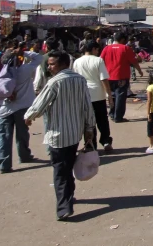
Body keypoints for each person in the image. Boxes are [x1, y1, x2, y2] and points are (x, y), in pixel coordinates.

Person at [24, 51, 95, 221]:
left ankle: (64, 207)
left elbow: (39, 104)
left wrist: (28, 117)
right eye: (48, 64)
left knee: (60, 171)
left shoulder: (54, 82)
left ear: (63, 64)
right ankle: (69, 197)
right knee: (66, 167)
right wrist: (89, 127)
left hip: (58, 135)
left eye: (52, 64)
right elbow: (87, 106)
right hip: (74, 133)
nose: (49, 67)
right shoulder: (79, 79)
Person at [0, 42, 43, 173]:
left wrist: (5, 97)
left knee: (3, 136)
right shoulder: (24, 70)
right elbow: (38, 58)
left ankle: (3, 164)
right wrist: (22, 52)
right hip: (22, 108)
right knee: (22, 133)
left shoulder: (0, 76)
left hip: (4, 110)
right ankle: (24, 156)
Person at [72, 41, 114, 153]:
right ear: (94, 49)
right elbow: (104, 78)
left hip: (84, 95)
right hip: (98, 94)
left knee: (89, 122)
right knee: (102, 120)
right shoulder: (98, 60)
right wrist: (109, 95)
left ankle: (91, 145)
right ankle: (106, 141)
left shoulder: (77, 62)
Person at [100, 32, 144, 123]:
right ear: (123, 40)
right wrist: (139, 71)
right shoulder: (125, 48)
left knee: (112, 96)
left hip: (108, 77)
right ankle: (118, 117)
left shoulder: (106, 48)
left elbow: (101, 61)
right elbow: (134, 61)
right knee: (120, 96)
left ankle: (112, 114)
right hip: (121, 77)